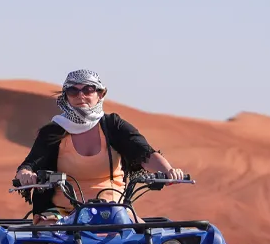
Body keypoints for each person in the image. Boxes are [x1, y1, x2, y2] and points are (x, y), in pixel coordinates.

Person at [13, 69, 185, 224]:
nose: (81, 96)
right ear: (66, 96)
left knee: (148, 242)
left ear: (100, 94)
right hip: (64, 212)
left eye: (88, 89)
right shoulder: (54, 131)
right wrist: (27, 174)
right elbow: (30, 164)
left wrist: (168, 170)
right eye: (73, 91)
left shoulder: (113, 126)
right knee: (45, 236)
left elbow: (144, 153)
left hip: (115, 210)